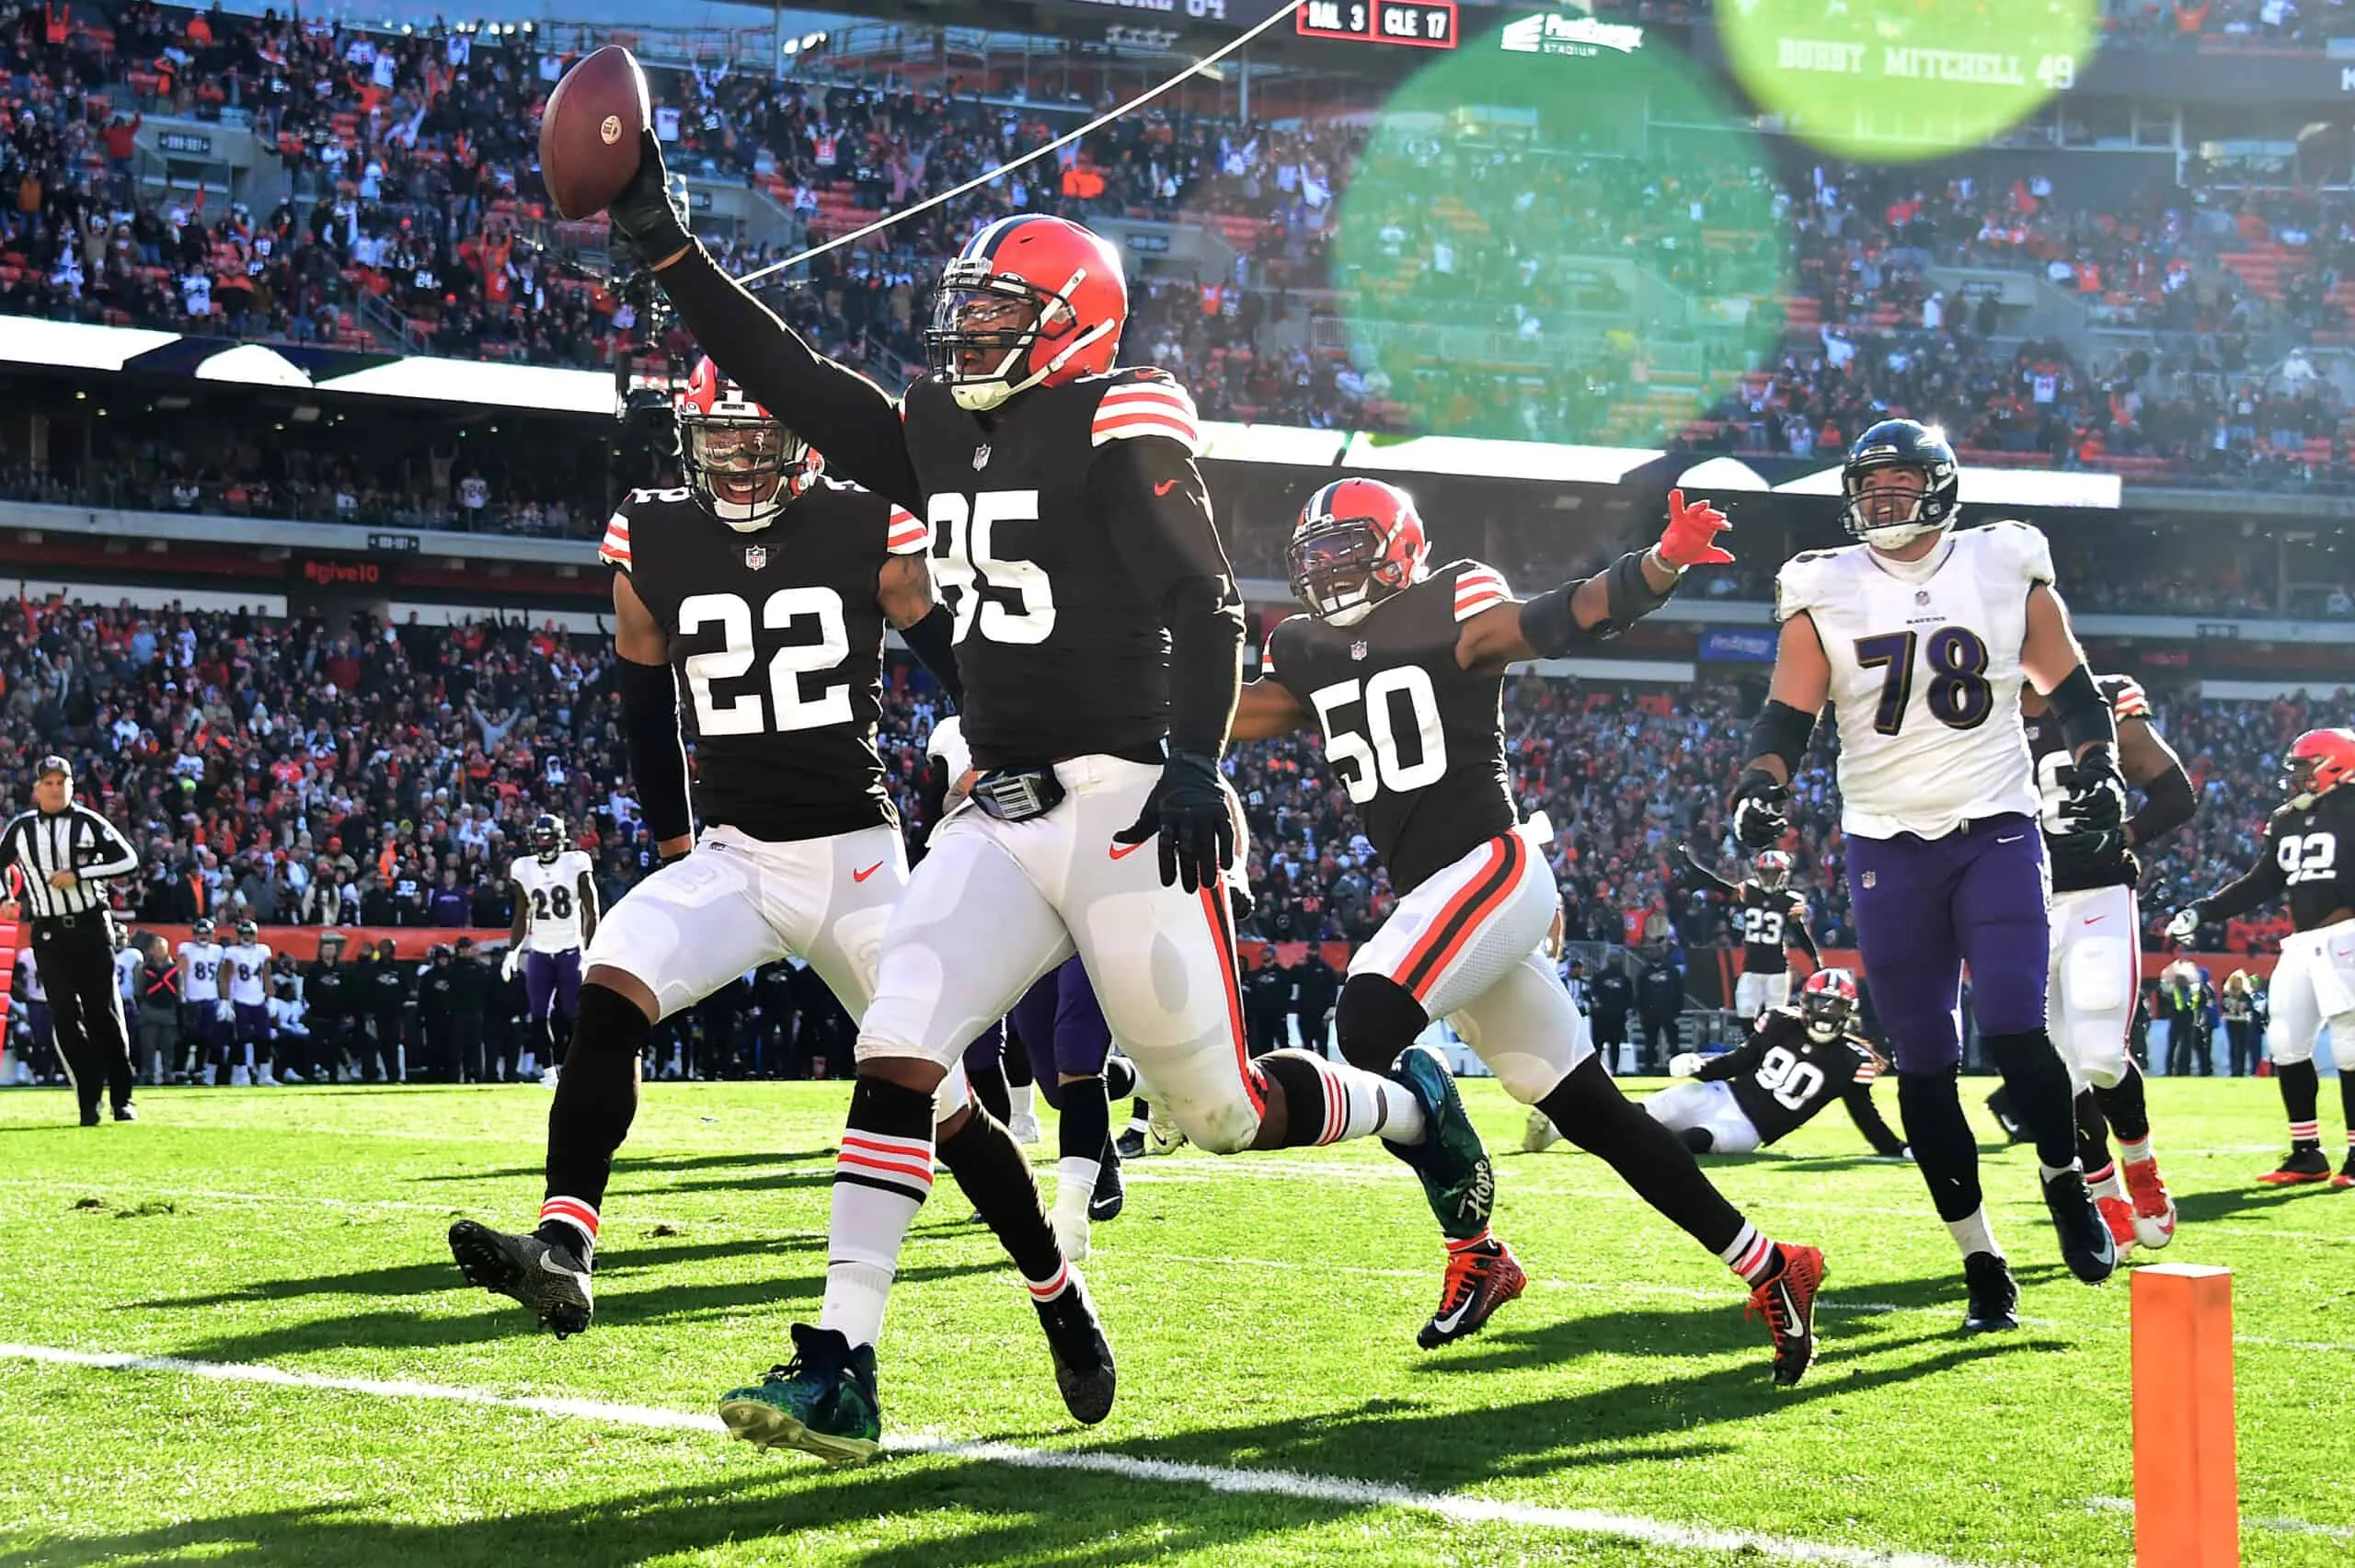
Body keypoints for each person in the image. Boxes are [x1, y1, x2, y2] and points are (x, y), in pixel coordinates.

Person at [611, 149, 1511, 1459]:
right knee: (900, 1047)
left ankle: (1415, 1106)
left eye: (997, 313)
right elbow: (795, 378)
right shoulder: (932, 428)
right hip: (996, 810)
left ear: (1069, 324)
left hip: (1127, 804)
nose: (969, 330)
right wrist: (669, 247)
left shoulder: (1117, 416)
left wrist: (1199, 762)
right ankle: (843, 1361)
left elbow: (1205, 604)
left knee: (1221, 1113)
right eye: (965, 310)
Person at [447, 357, 1103, 1459]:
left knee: (936, 1102)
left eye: (760, 437)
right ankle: (566, 1241)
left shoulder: (864, 516)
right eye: (721, 437)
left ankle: (1058, 1292)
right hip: (739, 853)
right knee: (612, 975)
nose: (740, 456)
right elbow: (642, 694)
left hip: (856, 859)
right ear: (689, 438)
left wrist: (1017, 746)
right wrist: (671, 845)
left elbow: (948, 649)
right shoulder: (649, 530)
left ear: (800, 440)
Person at [1232, 475, 1824, 1384]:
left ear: (1397, 545)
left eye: (1347, 547)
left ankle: (1468, 1228)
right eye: (1314, 555)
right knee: (1594, 1114)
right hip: (1440, 895)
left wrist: (1655, 566)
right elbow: (1240, 715)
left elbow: (1551, 618)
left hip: (1490, 866)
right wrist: (1128, 710)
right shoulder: (1302, 646)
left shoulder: (1451, 597)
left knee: (1365, 1027)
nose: (1329, 569)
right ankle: (1769, 1263)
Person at [1723, 418, 2118, 1334]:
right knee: (1925, 1063)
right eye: (1870, 487)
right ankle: (1982, 1262)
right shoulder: (1823, 582)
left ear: (1940, 486)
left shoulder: (2004, 558)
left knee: (2018, 1023)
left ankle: (2066, 1185)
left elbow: (2069, 684)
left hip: (1997, 827)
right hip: (1885, 845)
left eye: (1900, 486)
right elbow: (1787, 713)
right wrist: (1757, 786)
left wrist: (2095, 760)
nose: (1882, 502)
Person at [2018, 671, 2192, 1253]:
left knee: (2099, 1053)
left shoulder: (2103, 694)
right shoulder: (1976, 699)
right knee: (2058, 1068)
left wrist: (2125, 833)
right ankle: (2104, 1191)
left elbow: (2175, 794)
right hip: (2020, 902)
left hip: (2096, 893)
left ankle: (2140, 1162)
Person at [2166, 727, 2355, 1186]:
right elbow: (2262, 880)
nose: (2296, 777)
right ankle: (2307, 1153)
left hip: (2349, 934)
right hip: (2302, 941)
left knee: (2351, 1045)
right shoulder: (2287, 818)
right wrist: (2203, 910)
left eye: (2304, 767)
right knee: (2286, 1043)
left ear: (2335, 763)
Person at [0, 755, 142, 1124]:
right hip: (48, 931)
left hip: (91, 925)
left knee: (102, 1014)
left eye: (61, 782)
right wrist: (6, 898)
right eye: (47, 782)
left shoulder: (87, 822)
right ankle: (88, 1097)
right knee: (63, 1014)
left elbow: (128, 860)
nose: (54, 788)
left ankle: (122, 1097)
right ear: (37, 788)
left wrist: (80, 873)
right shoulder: (21, 828)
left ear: (71, 786)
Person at [1636, 969, 1906, 1158]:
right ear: (1805, 1002)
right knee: (1654, 1108)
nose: (1825, 1012)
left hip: (1749, 1129)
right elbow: (1739, 1061)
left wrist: (1895, 1146)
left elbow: (1864, 1114)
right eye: (1820, 1002)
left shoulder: (1852, 1060)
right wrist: (1701, 1066)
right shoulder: (1781, 1022)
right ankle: (1597, 1131)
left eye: (1833, 1006)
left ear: (1848, 1010)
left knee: (1697, 1139)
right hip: (1722, 1095)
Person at [504, 813, 598, 1085]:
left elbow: (591, 911)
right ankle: (548, 1073)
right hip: (540, 950)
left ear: (559, 838)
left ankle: (580, 1067)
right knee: (538, 1013)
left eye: (547, 837)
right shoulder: (523, 868)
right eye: (539, 837)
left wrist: (590, 949)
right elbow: (522, 915)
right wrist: (513, 951)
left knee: (573, 1013)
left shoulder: (576, 862)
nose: (542, 842)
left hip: (570, 949)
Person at [1679, 845, 1818, 1021]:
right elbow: (1717, 885)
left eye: (1773, 873)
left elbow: (1800, 934)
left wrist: (1814, 960)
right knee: (1745, 1014)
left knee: (1774, 1021)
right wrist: (1691, 864)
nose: (1768, 878)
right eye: (1765, 873)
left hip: (1777, 971)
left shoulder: (1791, 900)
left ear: (1783, 874)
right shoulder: (1749, 891)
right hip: (1751, 968)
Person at [222, 919, 276, 1085]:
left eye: (249, 934)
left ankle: (265, 1075)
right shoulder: (232, 952)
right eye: (243, 934)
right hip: (240, 999)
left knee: (264, 1037)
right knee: (241, 1039)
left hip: (258, 999)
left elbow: (266, 975)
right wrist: (226, 1000)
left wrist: (271, 997)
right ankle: (242, 1074)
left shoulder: (262, 950)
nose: (246, 937)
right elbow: (227, 977)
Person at [174, 916, 227, 1084]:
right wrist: (181, 993)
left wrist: (224, 999)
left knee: (206, 1038)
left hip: (211, 998)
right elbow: (181, 971)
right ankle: (181, 1070)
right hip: (192, 998)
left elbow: (220, 976)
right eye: (200, 933)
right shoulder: (186, 948)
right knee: (188, 1036)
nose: (203, 936)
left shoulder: (218, 951)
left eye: (207, 933)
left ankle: (199, 1071)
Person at [304, 934, 357, 1083]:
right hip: (317, 1015)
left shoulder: (342, 970)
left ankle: (334, 1076)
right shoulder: (314, 969)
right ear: (321, 951)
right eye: (326, 949)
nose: (329, 952)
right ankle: (311, 1075)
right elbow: (308, 990)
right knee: (314, 1046)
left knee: (335, 1047)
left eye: (332, 949)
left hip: (336, 1016)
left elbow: (347, 991)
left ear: (336, 952)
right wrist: (316, 1005)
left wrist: (346, 1011)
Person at [133, 933, 179, 1086]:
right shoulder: (143, 968)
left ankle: (168, 1075)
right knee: (148, 1047)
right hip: (149, 1012)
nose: (160, 950)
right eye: (157, 947)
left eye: (163, 948)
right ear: (151, 950)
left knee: (168, 1048)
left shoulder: (175, 969)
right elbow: (139, 990)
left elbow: (180, 991)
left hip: (168, 1012)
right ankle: (147, 1075)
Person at [1635, 945, 1686, 1074]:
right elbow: (1640, 993)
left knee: (1673, 1042)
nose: (1655, 954)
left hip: (1669, 1012)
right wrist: (1641, 1010)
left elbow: (1679, 991)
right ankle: (1648, 1068)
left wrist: (1677, 1010)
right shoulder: (1645, 973)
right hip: (1650, 1014)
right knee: (1650, 1042)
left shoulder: (1672, 971)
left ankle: (1676, 1068)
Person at [2221, 971, 2261, 1078]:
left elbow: (2250, 1008)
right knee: (2233, 1046)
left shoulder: (2246, 994)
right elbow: (2223, 1006)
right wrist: (2232, 1007)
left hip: (2243, 1022)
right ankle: (2234, 1070)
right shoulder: (2227, 992)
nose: (2237, 983)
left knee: (2242, 1047)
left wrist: (2241, 1009)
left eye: (2239, 980)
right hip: (2231, 1021)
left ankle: (2241, 1071)